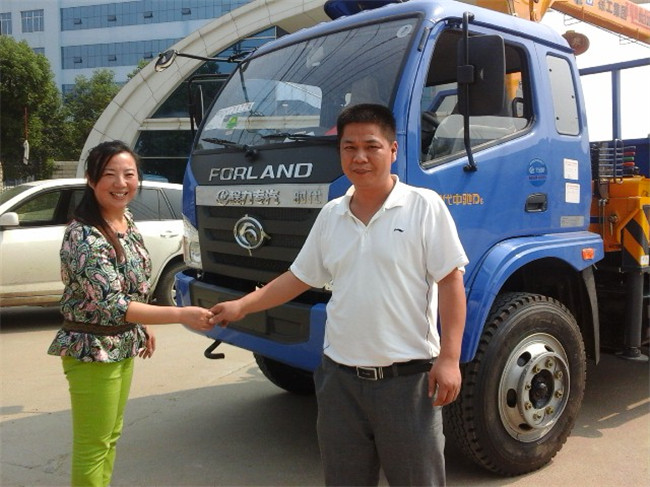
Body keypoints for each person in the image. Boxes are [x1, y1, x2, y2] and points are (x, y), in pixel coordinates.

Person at [209, 103, 468, 486]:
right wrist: (241, 305)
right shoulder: (332, 214)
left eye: (371, 146)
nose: (359, 157)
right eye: (349, 148)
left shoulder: (423, 206)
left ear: (392, 150)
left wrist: (449, 358)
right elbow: (298, 277)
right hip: (339, 382)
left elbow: (450, 282)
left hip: (407, 382)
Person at [47, 140, 214, 487]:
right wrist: (182, 314)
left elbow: (132, 288)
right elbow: (113, 304)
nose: (121, 183)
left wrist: (143, 324)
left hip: (121, 344)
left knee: (111, 435)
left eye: (129, 174)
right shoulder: (84, 234)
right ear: (91, 179)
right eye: (110, 174)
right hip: (92, 350)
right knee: (94, 444)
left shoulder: (126, 221)